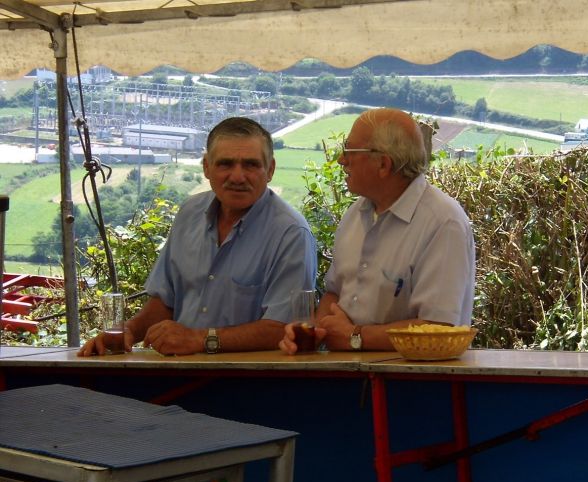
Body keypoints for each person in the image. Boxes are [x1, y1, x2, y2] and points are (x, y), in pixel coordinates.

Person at [79, 117, 317, 356]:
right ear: (206, 167)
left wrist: (200, 339)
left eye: (251, 165)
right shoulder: (190, 213)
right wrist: (128, 330)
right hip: (177, 373)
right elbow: (165, 303)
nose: (237, 176)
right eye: (225, 164)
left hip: (249, 381)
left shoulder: (290, 234)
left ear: (271, 170)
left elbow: (282, 329)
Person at [280, 108, 474, 354]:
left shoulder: (443, 222)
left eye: (349, 150)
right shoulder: (356, 213)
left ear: (383, 164)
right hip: (346, 379)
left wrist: (356, 337)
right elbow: (335, 293)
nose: (341, 159)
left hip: (411, 385)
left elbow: (437, 329)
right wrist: (315, 331)